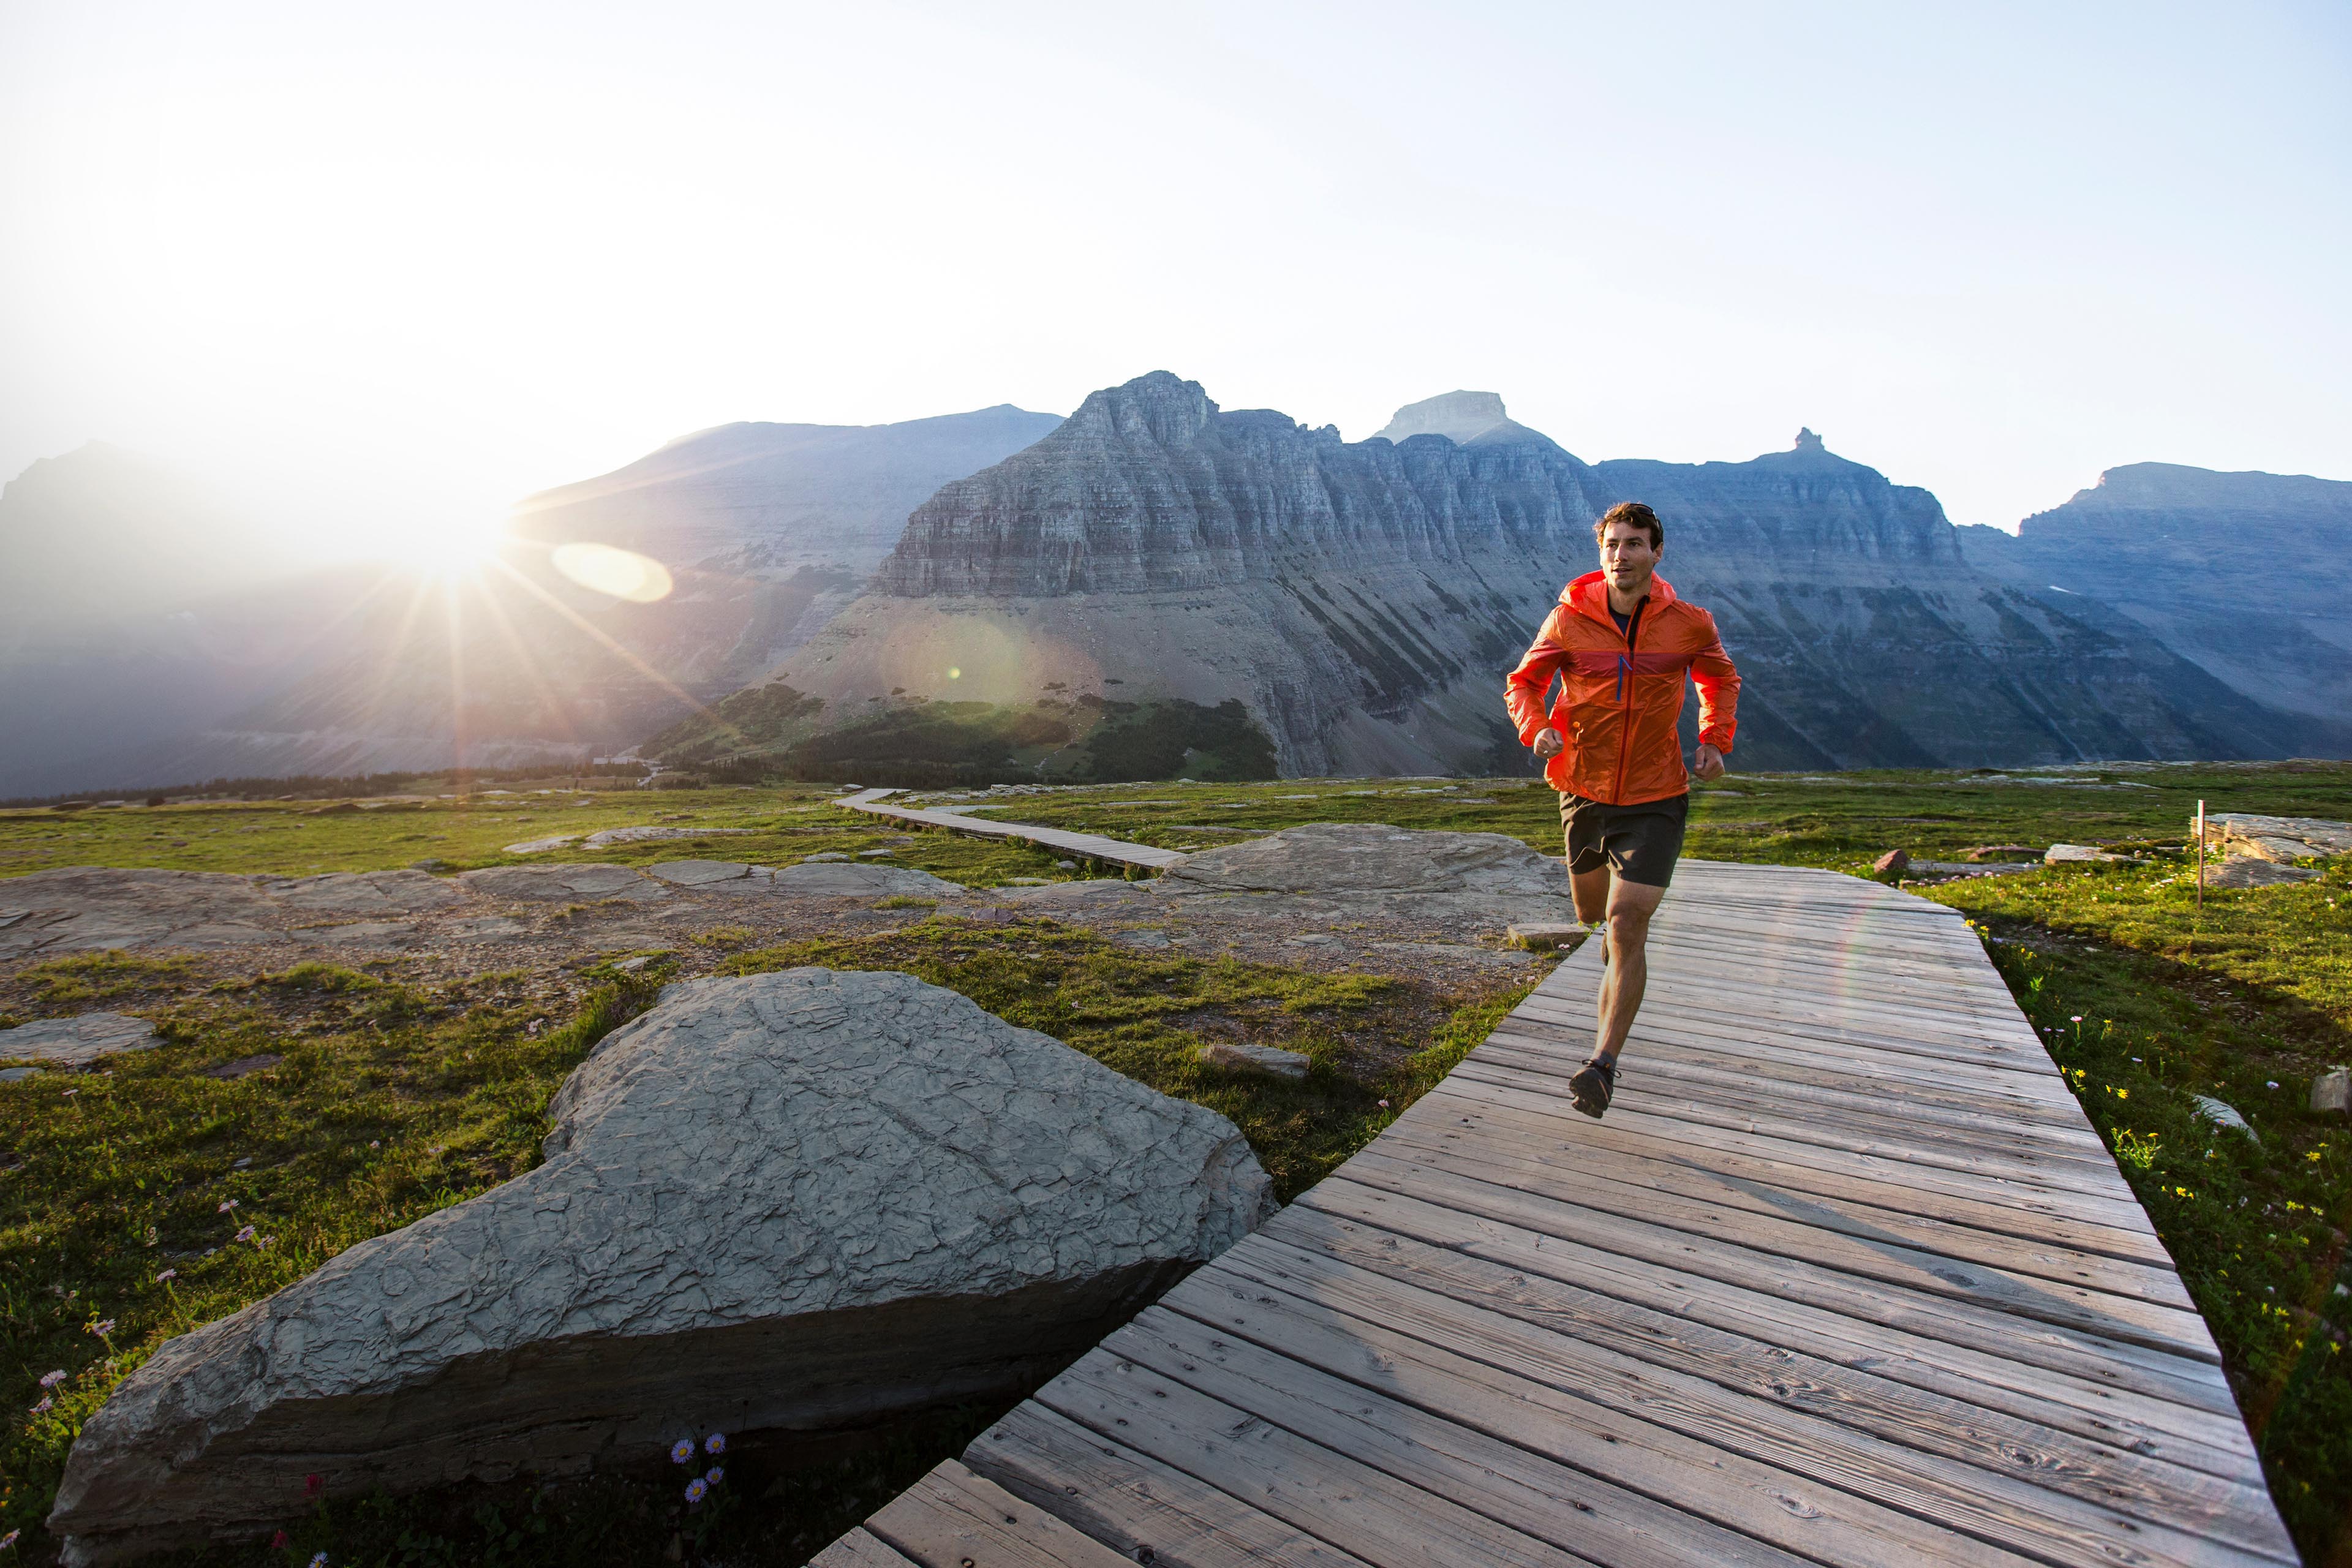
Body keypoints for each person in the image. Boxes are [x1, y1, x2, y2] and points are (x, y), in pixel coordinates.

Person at [1504, 500, 1741, 1118]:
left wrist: (1714, 739)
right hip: (1582, 788)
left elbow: (1720, 679)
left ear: (1656, 553)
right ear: (1600, 551)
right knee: (1593, 915)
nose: (1621, 554)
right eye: (1612, 543)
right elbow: (1523, 683)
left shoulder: (1689, 623)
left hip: (1657, 792)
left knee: (1626, 918)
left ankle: (1602, 1064)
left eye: (1635, 543)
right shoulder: (1567, 621)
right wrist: (1537, 731)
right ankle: (1616, 955)